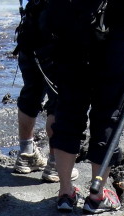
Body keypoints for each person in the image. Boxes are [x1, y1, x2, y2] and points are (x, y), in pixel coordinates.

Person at [44, 0, 124, 214]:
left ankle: (65, 192)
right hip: (112, 46)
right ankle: (97, 196)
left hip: (68, 42)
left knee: (68, 114)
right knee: (107, 116)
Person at [11, 0, 76, 181]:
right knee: (59, 100)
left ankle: (26, 154)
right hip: (56, 35)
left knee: (30, 93)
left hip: (30, 29)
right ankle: (55, 164)